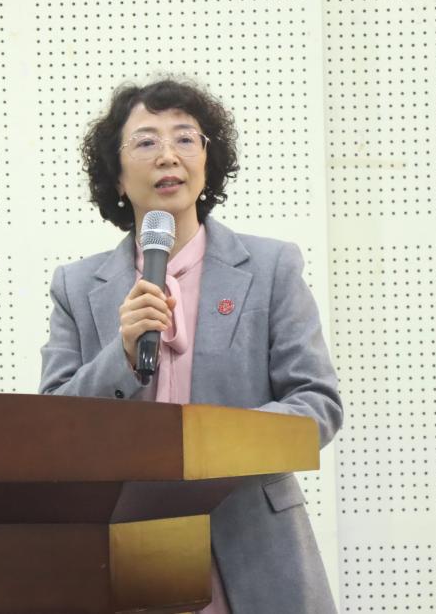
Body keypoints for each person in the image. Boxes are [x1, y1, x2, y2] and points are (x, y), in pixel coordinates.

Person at [39, 78, 343, 614]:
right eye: (146, 141)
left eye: (185, 138)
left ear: (206, 164)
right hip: (127, 545)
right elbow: (52, 428)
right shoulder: (77, 287)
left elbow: (317, 404)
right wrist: (120, 357)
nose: (168, 155)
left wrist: (214, 445)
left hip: (250, 540)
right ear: (117, 175)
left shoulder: (271, 268)